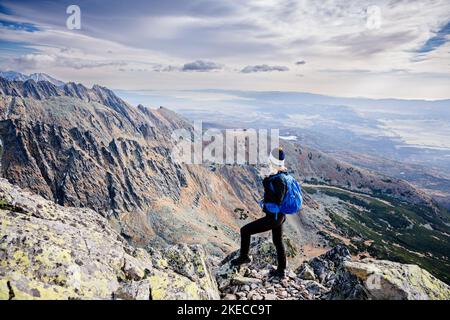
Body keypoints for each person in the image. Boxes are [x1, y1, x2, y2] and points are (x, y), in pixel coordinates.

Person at [231, 146, 288, 278]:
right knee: (278, 241)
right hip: (278, 216)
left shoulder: (279, 179)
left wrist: (267, 183)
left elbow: (278, 201)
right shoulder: (282, 174)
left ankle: (244, 257)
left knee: (245, 231)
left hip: (273, 218)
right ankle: (281, 271)